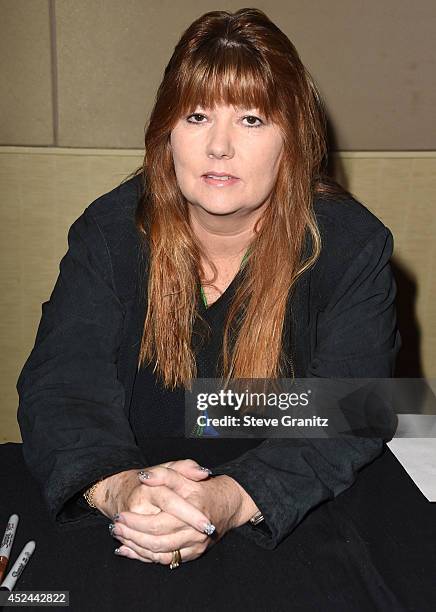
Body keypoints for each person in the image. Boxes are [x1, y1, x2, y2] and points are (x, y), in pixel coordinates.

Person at [16, 6, 401, 575]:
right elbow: (61, 387)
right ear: (165, 133)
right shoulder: (110, 232)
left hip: (286, 521)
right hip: (129, 520)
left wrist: (228, 498)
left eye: (251, 119)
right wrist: (119, 490)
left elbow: (358, 408)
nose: (218, 147)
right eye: (196, 116)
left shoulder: (352, 244)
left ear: (292, 139)